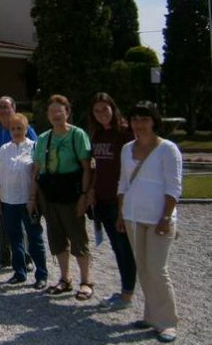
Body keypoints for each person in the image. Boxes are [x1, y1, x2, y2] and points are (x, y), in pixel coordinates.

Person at [118, 101, 181, 343]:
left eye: (144, 119)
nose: (139, 124)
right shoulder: (127, 149)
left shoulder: (168, 149)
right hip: (135, 216)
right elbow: (123, 183)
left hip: (158, 219)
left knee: (157, 269)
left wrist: (166, 217)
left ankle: (167, 322)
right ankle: (152, 315)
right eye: (135, 119)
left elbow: (174, 188)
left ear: (154, 121)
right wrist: (121, 214)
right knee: (143, 269)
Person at [31, 95, 94, 300]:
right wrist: (33, 197)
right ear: (48, 115)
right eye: (52, 112)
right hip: (50, 195)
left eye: (60, 110)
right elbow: (37, 169)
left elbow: (86, 168)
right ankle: (65, 278)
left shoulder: (77, 135)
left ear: (67, 112)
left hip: (71, 193)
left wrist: (85, 195)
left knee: (78, 237)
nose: (56, 115)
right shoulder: (43, 139)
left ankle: (86, 280)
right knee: (56, 238)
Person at [88, 92, 136, 309]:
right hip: (103, 198)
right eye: (97, 111)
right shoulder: (97, 135)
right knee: (117, 247)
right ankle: (125, 290)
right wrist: (91, 190)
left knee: (125, 248)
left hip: (121, 199)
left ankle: (127, 293)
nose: (101, 114)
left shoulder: (125, 133)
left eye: (104, 109)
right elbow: (96, 166)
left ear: (112, 109)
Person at [0, 114, 48, 289]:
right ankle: (19, 272)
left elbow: (38, 175)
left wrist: (35, 199)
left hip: (28, 201)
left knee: (34, 237)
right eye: (13, 128)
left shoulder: (34, 147)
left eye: (19, 128)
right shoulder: (4, 149)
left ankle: (41, 274)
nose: (16, 132)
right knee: (14, 238)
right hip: (9, 201)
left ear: (26, 129)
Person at [0, 96, 37, 270]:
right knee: (2, 219)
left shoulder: (26, 128)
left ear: (14, 108)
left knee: (23, 222)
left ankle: (27, 258)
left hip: (22, 183)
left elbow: (34, 152)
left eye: (6, 107)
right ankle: (5, 256)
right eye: (0, 107)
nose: (3, 110)